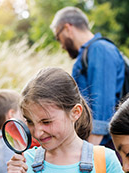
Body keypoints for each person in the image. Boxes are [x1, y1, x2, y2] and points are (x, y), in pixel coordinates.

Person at [50, 7, 125, 148]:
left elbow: (102, 109)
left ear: (68, 28)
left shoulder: (99, 49)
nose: (61, 45)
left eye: (57, 37)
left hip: (103, 146)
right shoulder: (88, 54)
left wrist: (89, 154)